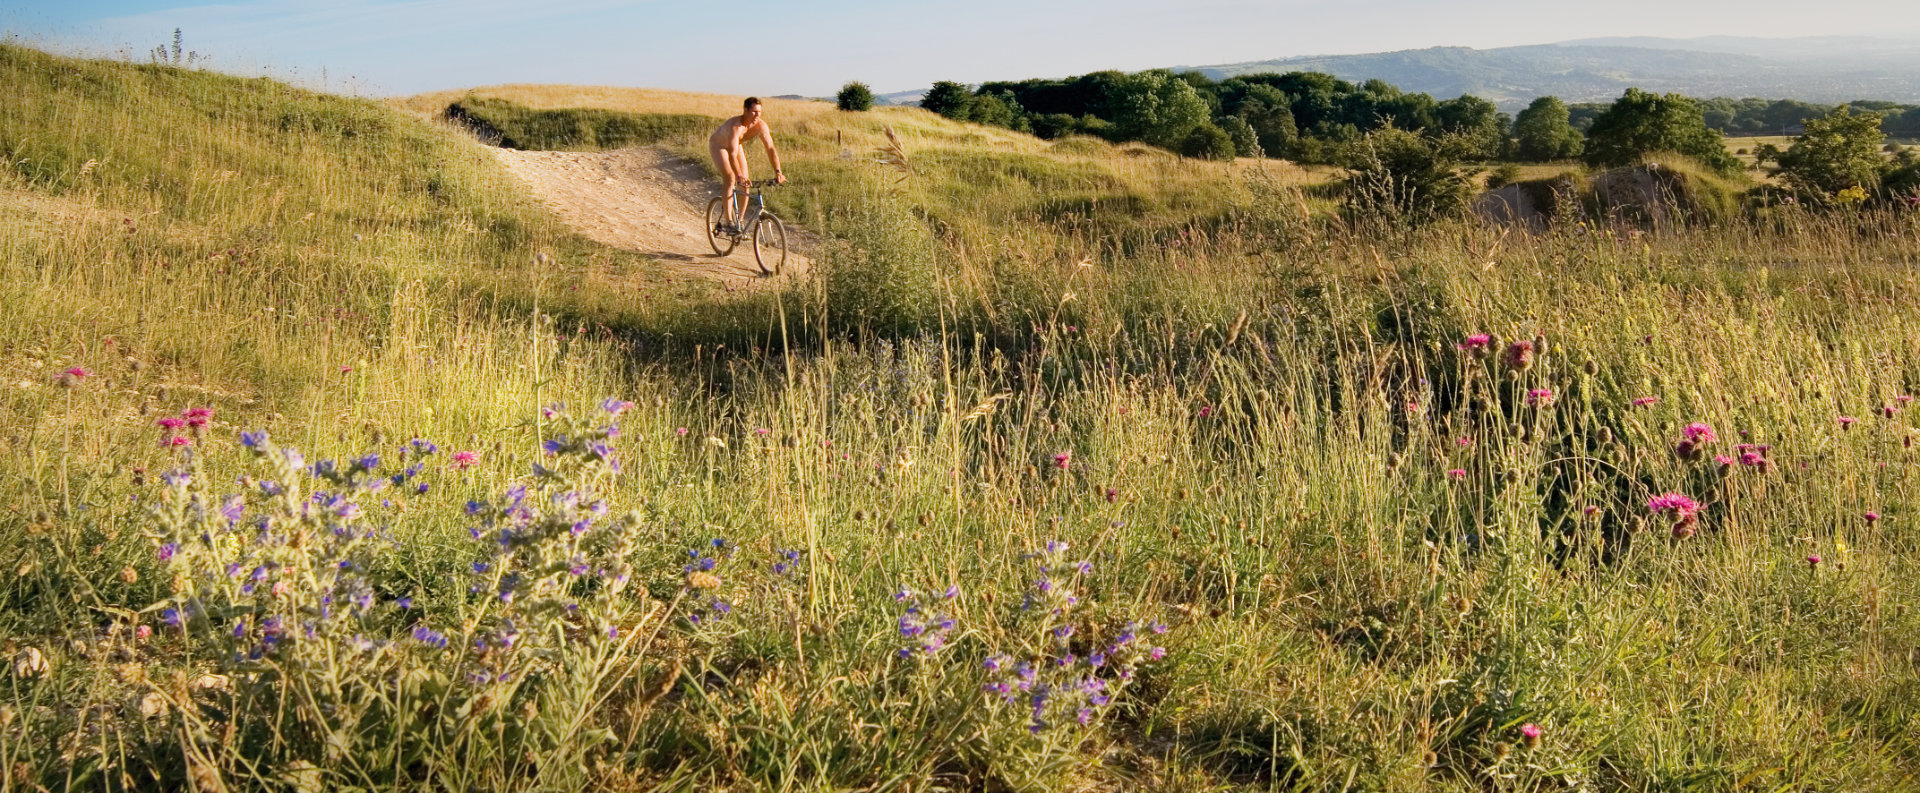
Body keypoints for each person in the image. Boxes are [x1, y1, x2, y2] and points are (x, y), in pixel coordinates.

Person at [709, 97, 786, 235]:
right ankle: (729, 222)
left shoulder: (761, 126)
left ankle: (739, 223)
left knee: (746, 184)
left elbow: (770, 149)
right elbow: (732, 155)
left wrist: (778, 171)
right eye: (754, 112)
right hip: (719, 146)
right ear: (745, 110)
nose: (757, 115)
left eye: (759, 112)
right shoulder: (736, 127)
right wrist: (739, 176)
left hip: (735, 146)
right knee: (730, 178)